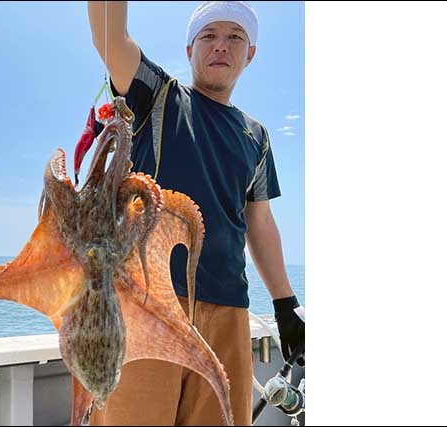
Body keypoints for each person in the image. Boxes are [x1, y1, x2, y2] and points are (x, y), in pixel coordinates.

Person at [86, 1, 305, 425]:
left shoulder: (255, 135)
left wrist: (285, 305)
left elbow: (259, 221)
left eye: (234, 37)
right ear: (189, 49)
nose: (220, 46)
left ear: (250, 53)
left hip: (228, 310)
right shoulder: (157, 95)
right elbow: (109, 39)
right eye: (209, 36)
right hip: (149, 304)